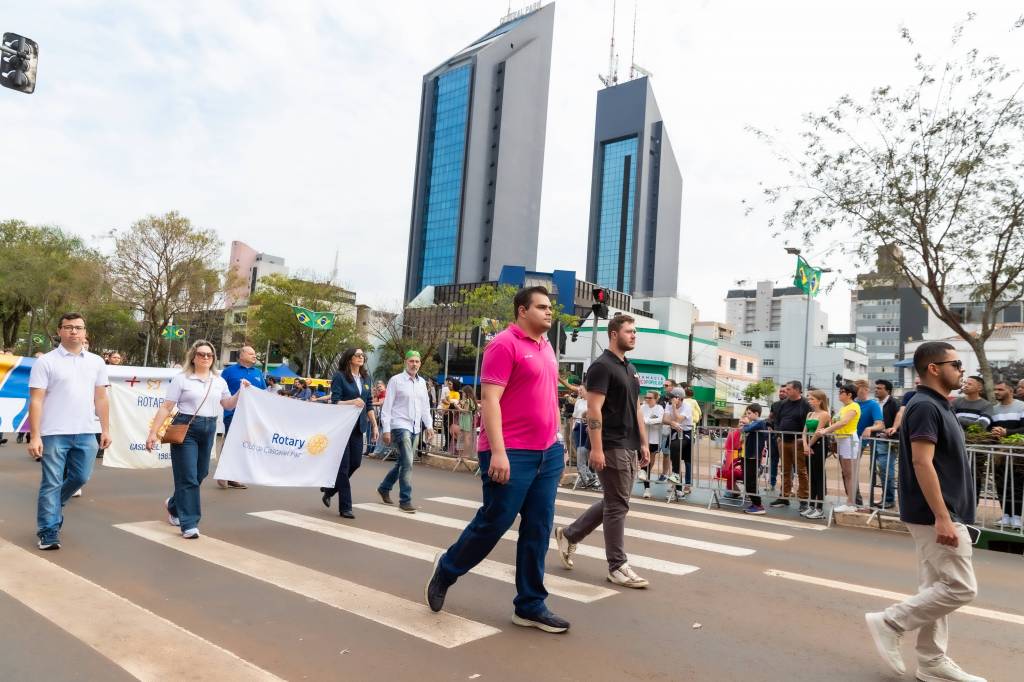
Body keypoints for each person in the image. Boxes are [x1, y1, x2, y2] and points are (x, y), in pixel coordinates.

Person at [426, 286, 570, 634]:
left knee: (538, 528)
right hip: (511, 452)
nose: (549, 312)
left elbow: (550, 398)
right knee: (494, 523)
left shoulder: (547, 346)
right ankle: (447, 569)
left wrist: (559, 442)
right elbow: (490, 401)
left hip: (546, 452)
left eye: (550, 307)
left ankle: (530, 605)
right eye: (542, 307)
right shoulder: (504, 344)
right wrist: (499, 452)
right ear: (522, 310)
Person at [865, 342, 985, 682]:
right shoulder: (925, 406)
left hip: (940, 512)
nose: (962, 370)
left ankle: (931, 661)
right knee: (961, 588)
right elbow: (922, 462)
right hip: (937, 514)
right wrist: (943, 517)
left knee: (936, 586)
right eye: (956, 364)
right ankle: (890, 622)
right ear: (934, 368)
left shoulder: (939, 404)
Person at [555, 314, 651, 590]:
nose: (633, 335)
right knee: (618, 505)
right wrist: (596, 449)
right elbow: (594, 409)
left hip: (629, 444)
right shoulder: (601, 366)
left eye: (635, 332)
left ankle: (570, 535)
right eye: (629, 331)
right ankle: (617, 565)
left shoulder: (630, 369)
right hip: (610, 444)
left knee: (614, 501)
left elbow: (636, 408)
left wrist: (643, 443)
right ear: (613, 334)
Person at [145, 341, 245, 539]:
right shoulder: (182, 379)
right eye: (201, 354)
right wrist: (153, 433)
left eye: (209, 355)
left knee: (200, 473)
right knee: (188, 477)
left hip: (209, 428)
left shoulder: (219, 381)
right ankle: (189, 524)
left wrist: (241, 391)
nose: (205, 358)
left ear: (213, 358)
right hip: (186, 428)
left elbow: (228, 404)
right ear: (193, 357)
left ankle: (174, 505)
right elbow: (166, 407)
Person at [28, 313, 111, 550]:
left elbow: (101, 398)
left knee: (80, 477)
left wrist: (105, 429)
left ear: (85, 332)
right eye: (68, 327)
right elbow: (36, 400)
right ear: (59, 331)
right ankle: (48, 531)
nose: (74, 331)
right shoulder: (46, 362)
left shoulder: (96, 362)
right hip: (54, 432)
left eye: (78, 327)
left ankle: (53, 507)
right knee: (51, 482)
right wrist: (35, 435)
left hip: (86, 431)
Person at [319, 348, 378, 519]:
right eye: (357, 355)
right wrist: (352, 402)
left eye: (362, 355)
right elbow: (335, 401)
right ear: (349, 358)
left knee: (355, 463)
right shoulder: (340, 376)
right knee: (343, 467)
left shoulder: (366, 378)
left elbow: (368, 403)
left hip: (358, 427)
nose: (361, 357)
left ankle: (330, 490)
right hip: (342, 427)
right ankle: (346, 507)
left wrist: (374, 426)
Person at [377, 350, 434, 513]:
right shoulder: (396, 380)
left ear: (420, 364)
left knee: (403, 461)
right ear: (405, 362)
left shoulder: (422, 383)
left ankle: (384, 487)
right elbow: (387, 406)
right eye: (411, 361)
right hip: (400, 425)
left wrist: (429, 426)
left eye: (417, 361)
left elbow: (425, 407)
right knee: (408, 462)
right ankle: (405, 500)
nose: (414, 364)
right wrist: (386, 429)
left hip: (416, 427)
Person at [216, 345, 267, 490]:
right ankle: (223, 474)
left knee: (243, 445)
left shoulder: (258, 372)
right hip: (233, 413)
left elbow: (263, 394)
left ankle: (233, 476)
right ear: (241, 355)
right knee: (231, 441)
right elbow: (219, 390)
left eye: (254, 353)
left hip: (252, 416)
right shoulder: (229, 371)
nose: (254, 356)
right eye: (251, 353)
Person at [818, 384, 862, 513]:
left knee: (849, 473)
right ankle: (850, 502)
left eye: (842, 392)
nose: (839, 393)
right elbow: (836, 423)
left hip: (849, 440)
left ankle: (851, 503)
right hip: (842, 440)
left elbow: (844, 422)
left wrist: (826, 430)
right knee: (846, 473)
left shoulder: (854, 406)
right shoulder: (843, 408)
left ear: (849, 394)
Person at [770, 381, 812, 511]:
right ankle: (784, 496)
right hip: (783, 440)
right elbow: (777, 420)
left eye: (788, 389)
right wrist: (778, 434)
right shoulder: (783, 404)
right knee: (785, 470)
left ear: (797, 390)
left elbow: (809, 423)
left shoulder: (805, 404)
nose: (786, 391)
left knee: (801, 471)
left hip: (798, 442)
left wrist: (803, 440)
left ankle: (803, 499)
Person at [988, 381, 1024, 529]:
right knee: (1001, 483)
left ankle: (1016, 517)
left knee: (1017, 484)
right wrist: (993, 433)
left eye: (1000, 389)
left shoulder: (1021, 406)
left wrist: (1007, 432)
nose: (996, 392)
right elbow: (989, 429)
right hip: (999, 454)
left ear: (1010, 390)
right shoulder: (993, 409)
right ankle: (1006, 515)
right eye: (995, 389)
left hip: (1017, 453)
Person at [865, 379, 900, 509]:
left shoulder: (894, 403)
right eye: (876, 388)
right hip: (874, 440)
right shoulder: (874, 403)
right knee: (875, 471)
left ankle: (889, 499)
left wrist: (892, 432)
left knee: (886, 471)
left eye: (879, 388)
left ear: (888, 391)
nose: (876, 390)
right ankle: (881, 499)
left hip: (887, 441)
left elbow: (900, 421)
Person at [802, 390, 831, 519]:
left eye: (812, 399)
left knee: (818, 476)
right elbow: (804, 431)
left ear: (819, 401)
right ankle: (812, 505)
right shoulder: (810, 414)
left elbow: (818, 433)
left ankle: (819, 508)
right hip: (809, 446)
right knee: (811, 476)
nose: (809, 401)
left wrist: (809, 445)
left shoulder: (825, 414)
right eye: (809, 399)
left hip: (819, 445)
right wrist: (805, 445)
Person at [854, 379, 884, 507]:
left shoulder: (873, 404)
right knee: (848, 471)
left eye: (858, 389)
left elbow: (880, 424)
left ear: (866, 390)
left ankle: (862, 501)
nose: (856, 392)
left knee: (874, 470)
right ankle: (855, 500)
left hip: (864, 441)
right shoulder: (851, 403)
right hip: (849, 441)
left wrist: (869, 428)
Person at [741, 404, 771, 515]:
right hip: (748, 455)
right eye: (747, 413)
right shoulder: (754, 423)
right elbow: (744, 429)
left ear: (756, 413)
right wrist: (746, 425)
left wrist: (746, 424)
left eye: (749, 413)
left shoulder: (760, 422)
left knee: (750, 481)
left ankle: (758, 505)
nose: (747, 415)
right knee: (747, 480)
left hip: (753, 456)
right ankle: (755, 503)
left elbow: (746, 429)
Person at [662, 387, 691, 501]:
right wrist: (671, 422)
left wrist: (674, 407)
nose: (670, 399)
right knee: (675, 458)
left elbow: (679, 419)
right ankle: (678, 489)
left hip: (686, 433)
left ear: (678, 398)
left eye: (672, 397)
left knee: (676, 448)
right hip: (675, 433)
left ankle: (676, 477)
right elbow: (665, 419)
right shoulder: (668, 405)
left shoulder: (686, 406)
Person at [572, 385, 600, 490]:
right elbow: (575, 415)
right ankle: (589, 478)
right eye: (578, 389)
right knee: (580, 456)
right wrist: (574, 426)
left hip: (588, 430)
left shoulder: (592, 401)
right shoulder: (579, 401)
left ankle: (588, 478)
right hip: (578, 428)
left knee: (583, 456)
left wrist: (589, 424)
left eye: (581, 389)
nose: (579, 391)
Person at [638, 391, 664, 498]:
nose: (647, 399)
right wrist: (650, 420)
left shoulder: (659, 408)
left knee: (648, 463)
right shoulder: (642, 407)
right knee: (644, 461)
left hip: (654, 439)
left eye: (650, 397)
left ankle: (646, 486)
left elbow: (660, 419)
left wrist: (647, 421)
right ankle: (647, 488)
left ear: (656, 399)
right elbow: (639, 418)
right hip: (642, 438)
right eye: (646, 397)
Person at [457, 385, 478, 458]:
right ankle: (465, 455)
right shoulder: (471, 400)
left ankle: (465, 455)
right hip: (468, 419)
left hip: (466, 419)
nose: (462, 394)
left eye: (463, 392)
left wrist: (457, 407)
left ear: (466, 393)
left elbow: (465, 411)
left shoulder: (468, 400)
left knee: (465, 437)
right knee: (466, 437)